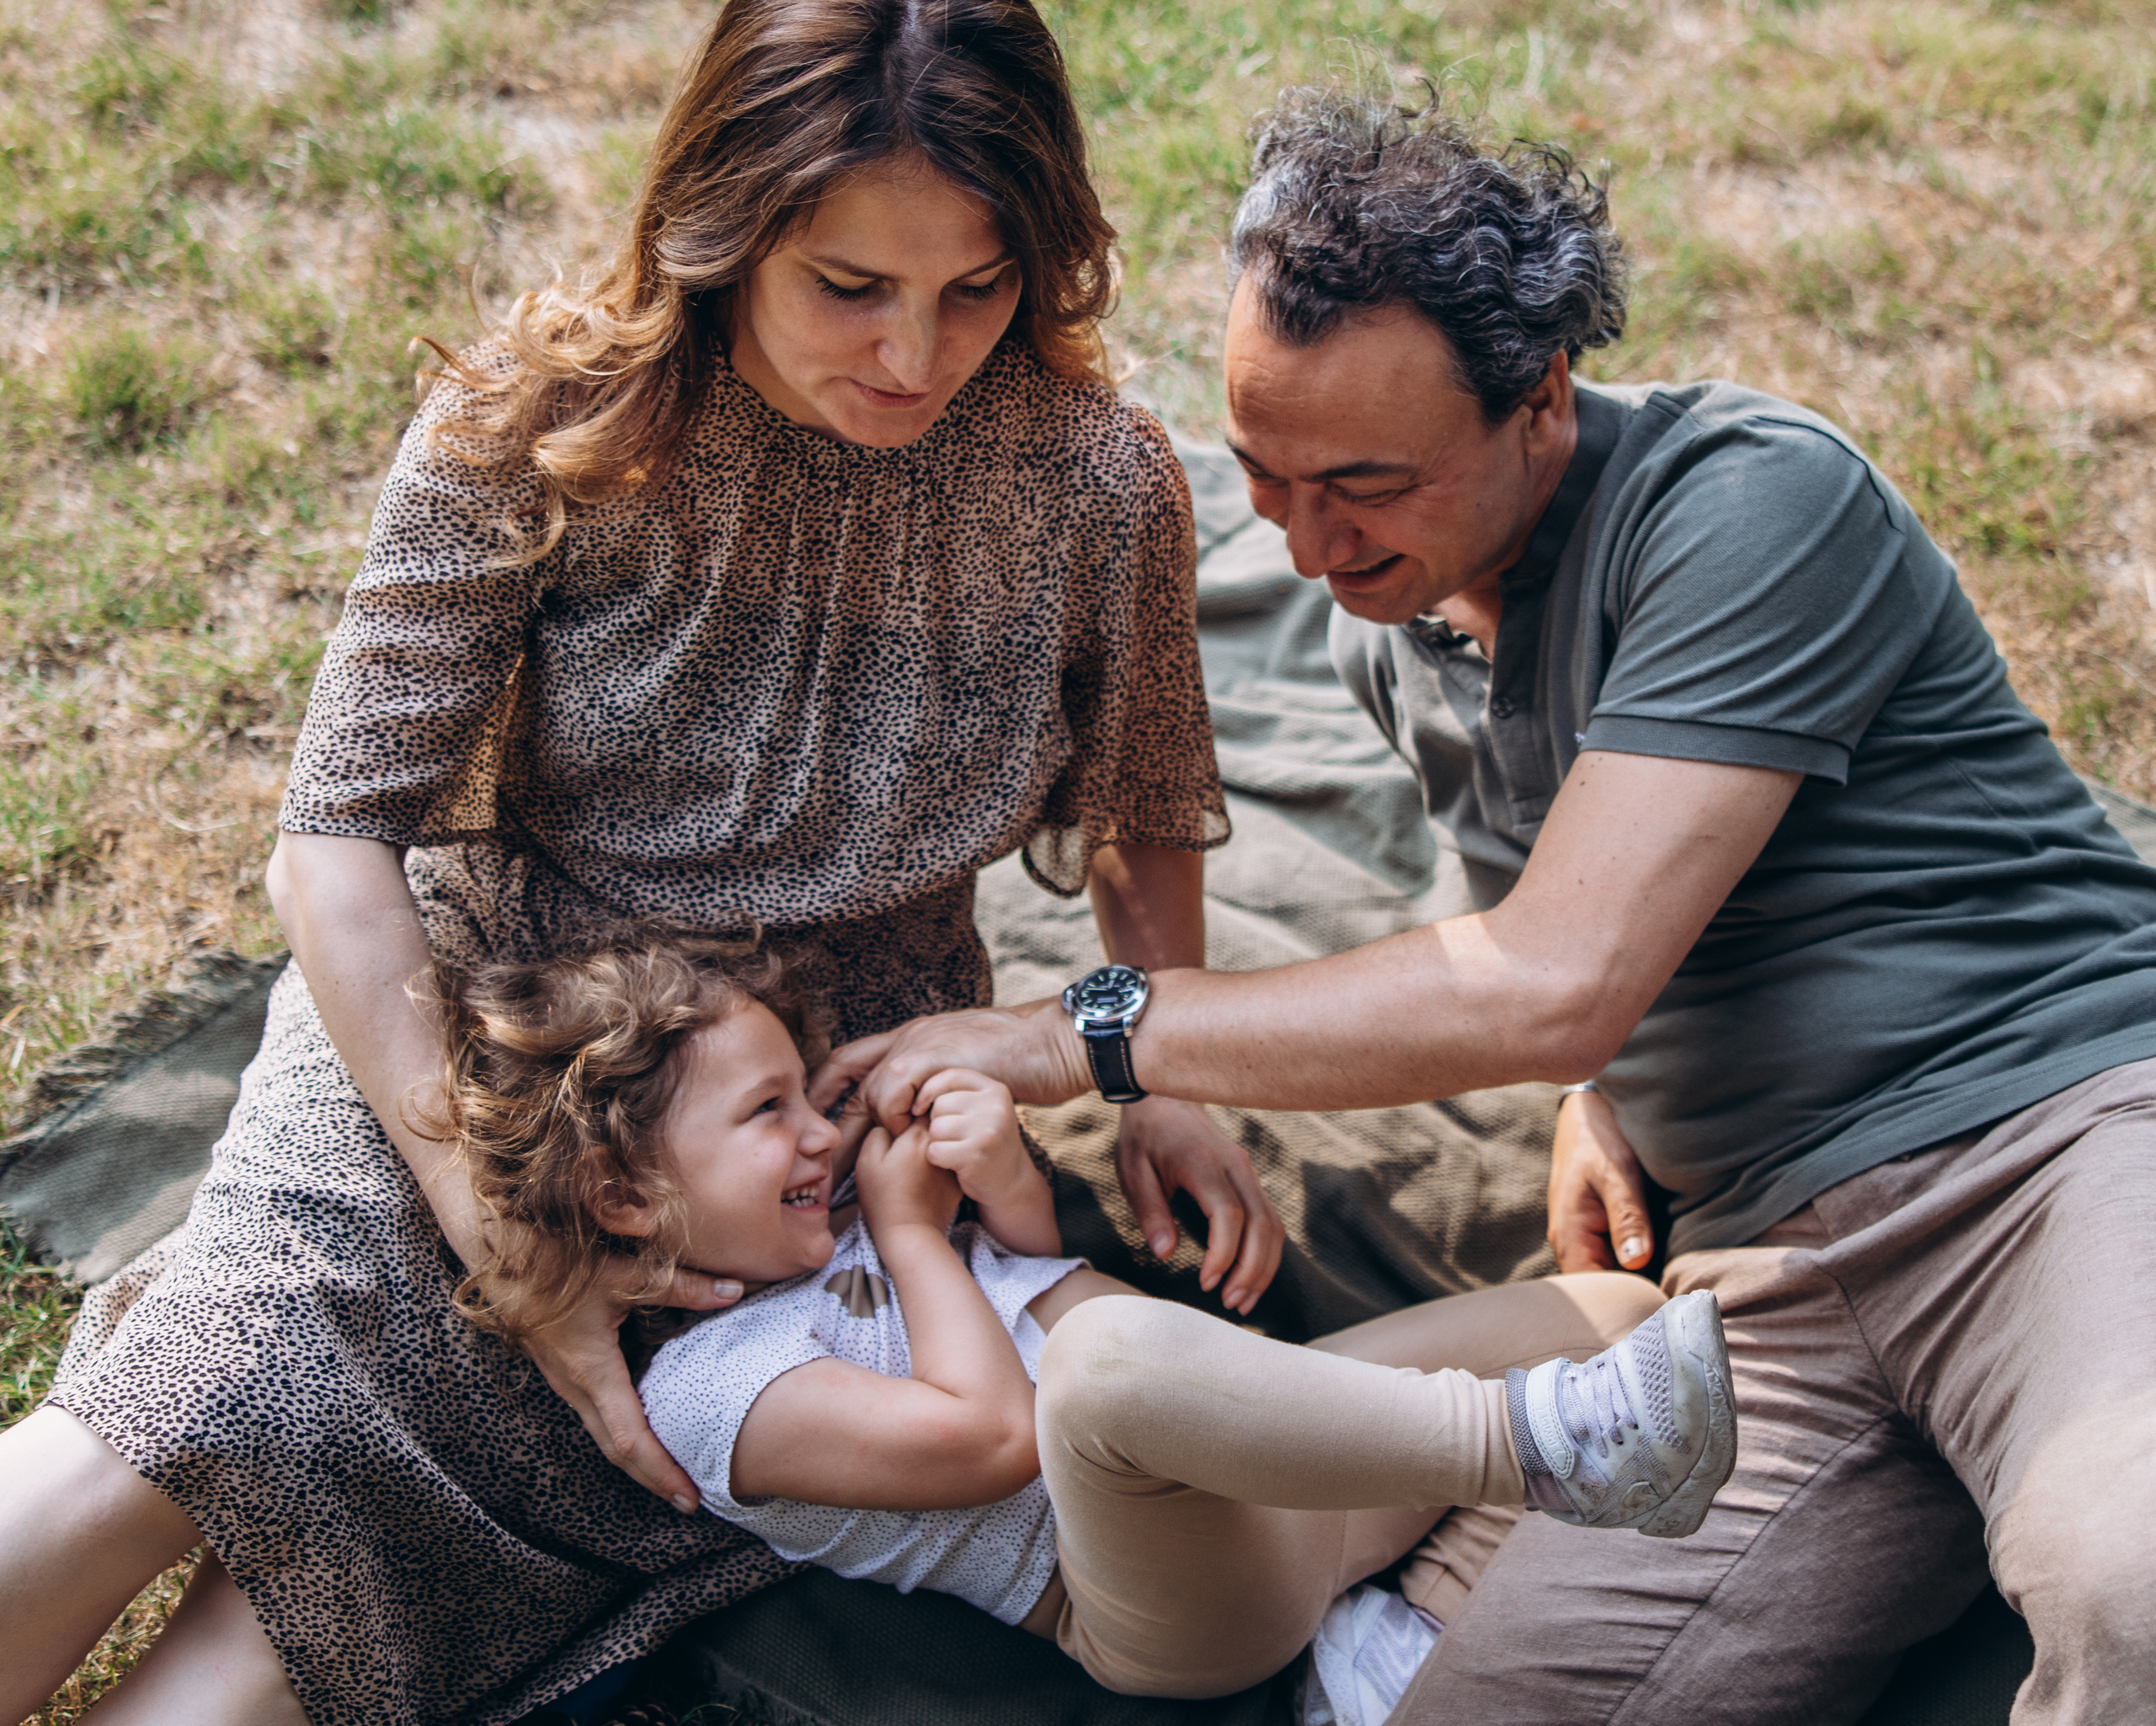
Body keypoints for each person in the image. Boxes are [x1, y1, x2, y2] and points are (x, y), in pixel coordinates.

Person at [0, 3, 1292, 1720]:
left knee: (381, 1591)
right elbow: (336, 840)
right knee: (223, 1388)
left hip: (788, 1105)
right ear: (720, 224)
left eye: (972, 289)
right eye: (850, 286)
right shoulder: (535, 422)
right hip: (472, 1032)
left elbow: (1138, 798)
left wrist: (1162, 1079)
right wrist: (494, 1224)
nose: (913, 352)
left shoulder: (1092, 478)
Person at [826, 87, 2156, 1725]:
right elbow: (1558, 925)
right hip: (1761, 1270)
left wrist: (1086, 1030)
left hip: (2046, 1138)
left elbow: (1549, 976)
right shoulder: (1386, 630)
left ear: (1538, 399)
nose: (1310, 545)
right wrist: (1605, 1096)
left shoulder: (1751, 505)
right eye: (1259, 472)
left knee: (2130, 1576)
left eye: (1365, 483)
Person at [430, 922, 1730, 1705]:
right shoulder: (714, 1392)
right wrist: (907, 1232)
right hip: (1163, 1599)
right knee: (1099, 1368)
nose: (823, 1130)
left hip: (1294, 1466)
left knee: (1605, 1306)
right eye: (769, 1111)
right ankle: (1534, 1443)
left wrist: (1000, 1179)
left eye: (809, 1094)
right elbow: (999, 1432)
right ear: (622, 1191)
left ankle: (1390, 1651)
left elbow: (1039, 1274)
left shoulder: (835, 1238)